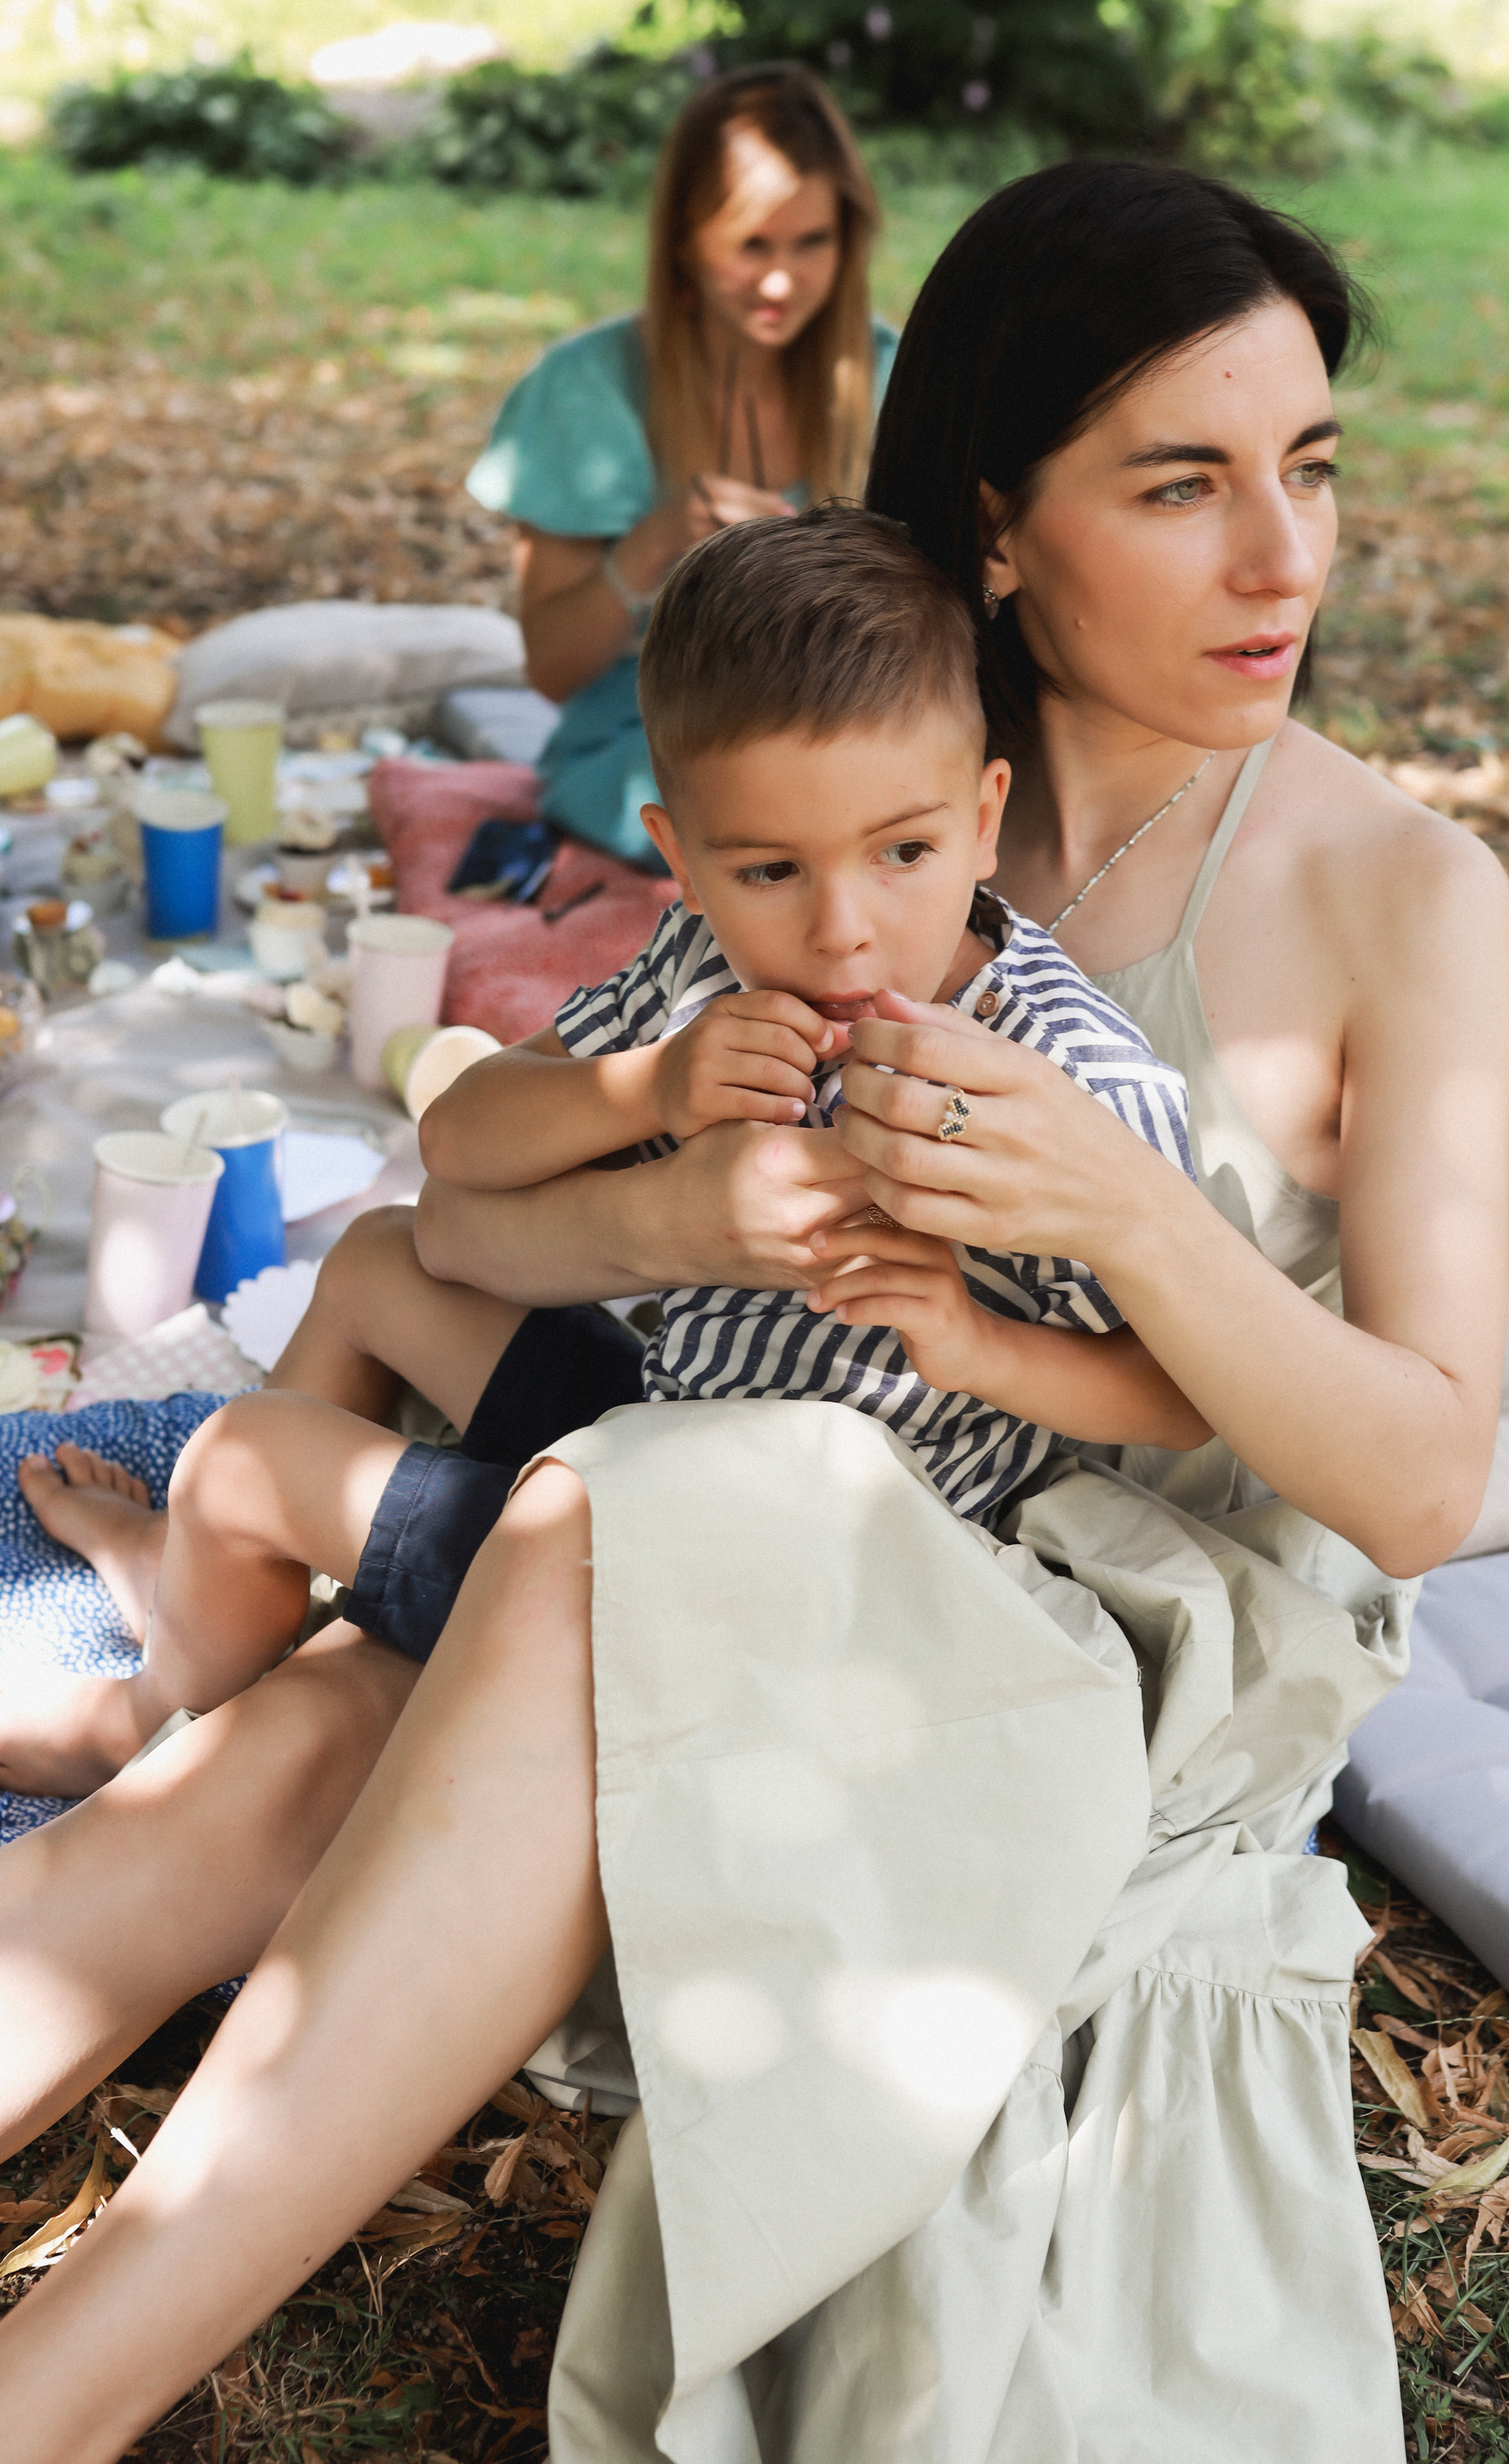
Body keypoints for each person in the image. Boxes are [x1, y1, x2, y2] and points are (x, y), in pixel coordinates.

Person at [0, 163, 1509, 2464]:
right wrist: (682, 1219)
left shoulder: (1397, 899)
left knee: (594, 1544)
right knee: (305, 1735)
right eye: (1180, 479)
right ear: (1000, 527)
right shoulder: (864, 746)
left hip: (1086, 1611)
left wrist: (1128, 1219)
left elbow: (1421, 1476)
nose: (1281, 556)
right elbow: (472, 1214)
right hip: (696, 1481)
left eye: (1310, 463)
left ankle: (29, 2442)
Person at [1, 508, 1206, 1789]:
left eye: (903, 853)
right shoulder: (707, 963)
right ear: (681, 859)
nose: (844, 929)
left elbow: (1184, 1388)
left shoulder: (1063, 1083)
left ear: (984, 818)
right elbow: (459, 1135)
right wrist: (650, 1087)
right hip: (658, 1434)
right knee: (373, 1260)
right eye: (770, 871)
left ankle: (153, 1713)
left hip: (763, 1593)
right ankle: (219, 1596)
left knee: (248, 1456)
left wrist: (981, 1347)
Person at [467, 59, 893, 865]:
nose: (781, 279)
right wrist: (654, 547)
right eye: (751, 245)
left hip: (852, 741)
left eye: (813, 243)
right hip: (651, 755)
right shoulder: (587, 391)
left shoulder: (891, 380)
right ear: (684, 242)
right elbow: (552, 670)